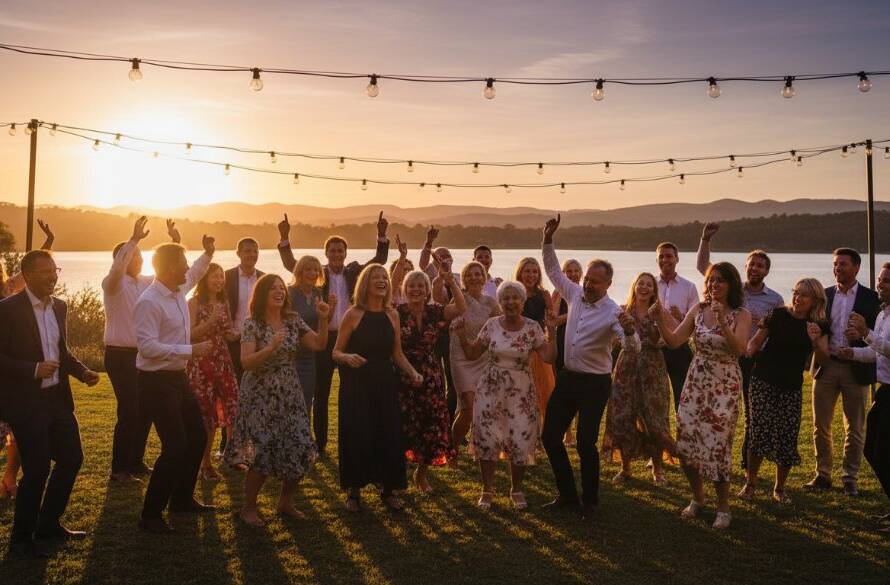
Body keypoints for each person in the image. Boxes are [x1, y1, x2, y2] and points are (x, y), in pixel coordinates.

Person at [0, 250, 100, 558]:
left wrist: (82, 371)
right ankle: (21, 540)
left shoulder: (60, 306)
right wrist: (33, 369)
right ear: (27, 275)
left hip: (58, 399)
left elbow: (61, 352)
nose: (53, 276)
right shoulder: (7, 309)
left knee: (72, 459)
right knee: (37, 469)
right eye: (45, 271)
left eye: (54, 270)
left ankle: (48, 524)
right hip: (26, 403)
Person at [540, 216, 639, 519]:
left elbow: (633, 348)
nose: (588, 284)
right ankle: (567, 495)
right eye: (587, 279)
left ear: (608, 284)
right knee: (550, 438)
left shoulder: (613, 312)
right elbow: (553, 270)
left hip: (595, 384)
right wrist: (547, 239)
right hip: (568, 379)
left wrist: (630, 331)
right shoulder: (574, 294)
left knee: (585, 443)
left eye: (595, 281)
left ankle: (590, 501)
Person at [277, 212, 390, 457]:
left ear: (345, 253)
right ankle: (319, 445)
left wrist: (381, 235)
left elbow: (380, 259)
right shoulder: (318, 274)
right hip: (323, 339)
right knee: (321, 393)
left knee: (353, 392)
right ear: (326, 253)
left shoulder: (355, 271)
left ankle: (355, 438)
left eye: (340, 251)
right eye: (333, 251)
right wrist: (284, 238)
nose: (337, 254)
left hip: (350, 340)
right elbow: (291, 264)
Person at [653, 262, 751, 530]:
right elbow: (675, 341)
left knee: (718, 446)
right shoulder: (698, 309)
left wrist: (723, 323)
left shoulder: (742, 314)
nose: (714, 285)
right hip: (696, 381)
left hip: (724, 385)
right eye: (711, 280)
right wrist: (660, 320)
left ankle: (723, 508)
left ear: (731, 284)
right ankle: (697, 498)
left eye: (720, 280)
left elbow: (739, 349)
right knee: (686, 444)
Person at [226, 274, 329, 526]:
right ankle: (249, 508)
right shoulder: (252, 324)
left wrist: (324, 319)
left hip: (289, 390)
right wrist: (271, 347)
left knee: (299, 444)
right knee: (261, 450)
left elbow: (318, 344)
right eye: (273, 288)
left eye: (282, 288)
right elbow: (246, 362)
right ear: (263, 293)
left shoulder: (293, 320)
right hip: (260, 393)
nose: (280, 291)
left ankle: (285, 502)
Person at [103, 218, 197, 483]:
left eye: (141, 256)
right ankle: (119, 469)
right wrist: (133, 240)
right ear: (122, 259)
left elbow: (169, 273)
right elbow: (118, 268)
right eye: (134, 256)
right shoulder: (113, 284)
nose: (140, 259)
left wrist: (175, 242)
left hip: (142, 354)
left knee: (143, 411)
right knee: (129, 410)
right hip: (120, 355)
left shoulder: (145, 283)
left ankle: (135, 462)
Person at [134, 237, 217, 534]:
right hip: (156, 382)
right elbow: (146, 347)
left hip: (178, 379)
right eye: (183, 263)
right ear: (170, 268)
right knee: (175, 447)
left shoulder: (178, 288)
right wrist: (189, 350)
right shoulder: (148, 302)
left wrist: (208, 253)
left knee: (197, 437)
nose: (187, 267)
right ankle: (150, 515)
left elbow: (196, 272)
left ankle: (181, 500)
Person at [456, 281, 557, 510]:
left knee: (520, 438)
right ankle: (487, 489)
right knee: (488, 437)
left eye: (515, 298)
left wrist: (553, 332)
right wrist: (461, 335)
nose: (510, 302)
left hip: (521, 392)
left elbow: (549, 357)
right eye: (506, 299)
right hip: (490, 389)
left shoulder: (532, 327)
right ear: (500, 302)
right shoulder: (491, 325)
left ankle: (516, 489)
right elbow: (472, 353)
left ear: (522, 301)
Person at [333, 264, 422, 513]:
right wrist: (348, 357)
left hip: (385, 382)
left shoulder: (392, 314)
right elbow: (335, 352)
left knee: (388, 433)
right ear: (365, 283)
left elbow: (397, 354)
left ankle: (389, 490)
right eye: (376, 277)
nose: (382, 281)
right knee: (358, 433)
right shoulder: (353, 314)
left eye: (385, 277)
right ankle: (354, 491)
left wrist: (412, 372)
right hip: (357, 384)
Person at [697, 223, 785, 470]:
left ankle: (747, 462)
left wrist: (764, 324)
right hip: (729, 356)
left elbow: (779, 332)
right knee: (720, 408)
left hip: (758, 359)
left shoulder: (775, 300)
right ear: (745, 267)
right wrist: (705, 240)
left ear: (767, 271)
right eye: (752, 264)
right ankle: (709, 455)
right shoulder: (733, 290)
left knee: (752, 412)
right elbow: (704, 268)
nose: (755, 268)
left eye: (760, 265)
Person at [739, 278, 830, 504]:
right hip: (762, 380)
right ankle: (750, 484)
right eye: (796, 292)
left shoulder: (818, 325)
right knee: (758, 433)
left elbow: (824, 360)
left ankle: (779, 489)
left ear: (815, 300)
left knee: (787, 437)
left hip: (791, 387)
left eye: (804, 295)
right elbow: (756, 342)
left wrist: (815, 341)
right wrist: (745, 351)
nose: (797, 298)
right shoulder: (777, 315)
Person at [805, 248, 881, 496]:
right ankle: (822, 474)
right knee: (820, 424)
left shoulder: (871, 298)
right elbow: (815, 323)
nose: (838, 268)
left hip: (856, 367)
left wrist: (861, 334)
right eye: (836, 264)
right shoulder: (824, 295)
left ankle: (850, 477)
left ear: (856, 267)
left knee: (855, 427)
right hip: (826, 365)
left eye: (843, 264)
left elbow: (879, 333)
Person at [601, 273, 675, 486]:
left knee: (654, 419)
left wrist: (661, 337)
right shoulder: (623, 311)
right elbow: (612, 339)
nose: (644, 287)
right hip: (627, 367)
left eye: (649, 285)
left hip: (652, 369)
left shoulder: (659, 312)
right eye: (640, 283)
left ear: (654, 290)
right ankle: (625, 468)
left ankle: (658, 470)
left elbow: (673, 337)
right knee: (623, 415)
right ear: (634, 287)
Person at [397, 267, 465, 492]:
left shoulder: (435, 311)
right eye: (411, 286)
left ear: (427, 290)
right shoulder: (397, 312)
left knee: (431, 422)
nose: (416, 289)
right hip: (402, 373)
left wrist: (450, 282)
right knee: (404, 422)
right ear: (405, 289)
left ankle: (421, 473)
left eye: (420, 286)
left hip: (430, 374)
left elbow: (461, 307)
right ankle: (399, 471)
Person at [0, 219, 54, 501]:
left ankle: (9, 477)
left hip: (9, 374)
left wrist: (48, 243)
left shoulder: (8, 290)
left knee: (15, 432)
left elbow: (29, 273)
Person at [840, 262, 890, 533]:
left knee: (882, 451)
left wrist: (865, 333)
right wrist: (854, 353)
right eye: (880, 279)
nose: (880, 284)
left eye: (886, 281)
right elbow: (877, 353)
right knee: (872, 449)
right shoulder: (883, 315)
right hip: (885, 390)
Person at [186, 263, 240, 480]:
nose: (219, 281)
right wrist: (211, 320)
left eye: (221, 276)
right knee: (206, 413)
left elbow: (227, 331)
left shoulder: (223, 302)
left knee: (232, 406)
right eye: (214, 277)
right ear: (204, 279)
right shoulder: (193, 303)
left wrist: (235, 334)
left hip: (222, 360)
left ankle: (231, 458)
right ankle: (205, 464)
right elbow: (189, 335)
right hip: (201, 361)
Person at [450, 261, 500, 453]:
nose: (474, 277)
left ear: (484, 277)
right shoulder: (459, 299)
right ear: (464, 279)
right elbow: (450, 321)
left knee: (482, 407)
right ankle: (453, 449)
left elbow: (499, 327)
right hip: (461, 357)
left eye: (478, 274)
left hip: (482, 357)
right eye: (469, 274)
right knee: (468, 408)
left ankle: (480, 447)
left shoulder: (491, 303)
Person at [221, 237, 264, 456]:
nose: (252, 255)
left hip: (256, 344)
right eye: (247, 251)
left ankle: (252, 444)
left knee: (255, 393)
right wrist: (228, 331)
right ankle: (227, 445)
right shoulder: (226, 277)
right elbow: (218, 306)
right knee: (231, 393)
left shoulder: (264, 278)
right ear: (238, 253)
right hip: (231, 342)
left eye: (255, 251)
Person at [655, 242, 700, 410]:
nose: (665, 260)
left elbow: (697, 321)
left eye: (669, 256)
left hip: (679, 349)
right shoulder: (649, 284)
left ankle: (682, 425)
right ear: (657, 260)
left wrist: (681, 317)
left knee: (682, 397)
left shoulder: (689, 287)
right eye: (661, 256)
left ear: (677, 259)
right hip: (654, 347)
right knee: (655, 397)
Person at [289, 255, 335, 411]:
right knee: (290, 400)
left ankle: (305, 427)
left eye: (316, 270)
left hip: (309, 356)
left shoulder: (318, 293)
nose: (313, 273)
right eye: (308, 269)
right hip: (291, 355)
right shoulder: (290, 292)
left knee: (307, 399)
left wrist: (330, 311)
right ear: (300, 272)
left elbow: (322, 323)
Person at [514, 256, 556, 424]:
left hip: (538, 349)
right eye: (527, 271)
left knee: (543, 392)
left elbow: (550, 320)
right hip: (517, 348)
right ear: (520, 273)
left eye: (534, 272)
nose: (531, 275)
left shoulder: (543, 295)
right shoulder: (514, 293)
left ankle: (541, 432)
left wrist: (550, 306)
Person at [552, 259, 583, 447]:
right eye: (568, 271)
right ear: (563, 274)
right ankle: (568, 433)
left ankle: (579, 433)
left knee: (581, 389)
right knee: (563, 389)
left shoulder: (587, 292)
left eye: (575, 270)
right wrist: (573, 313)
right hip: (562, 342)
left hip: (581, 343)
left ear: (581, 273)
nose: (572, 274)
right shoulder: (558, 292)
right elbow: (554, 320)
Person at [388, 235, 412, 306]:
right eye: (404, 269)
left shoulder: (415, 290)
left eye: (409, 270)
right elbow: (395, 280)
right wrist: (403, 255)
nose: (407, 272)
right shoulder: (392, 290)